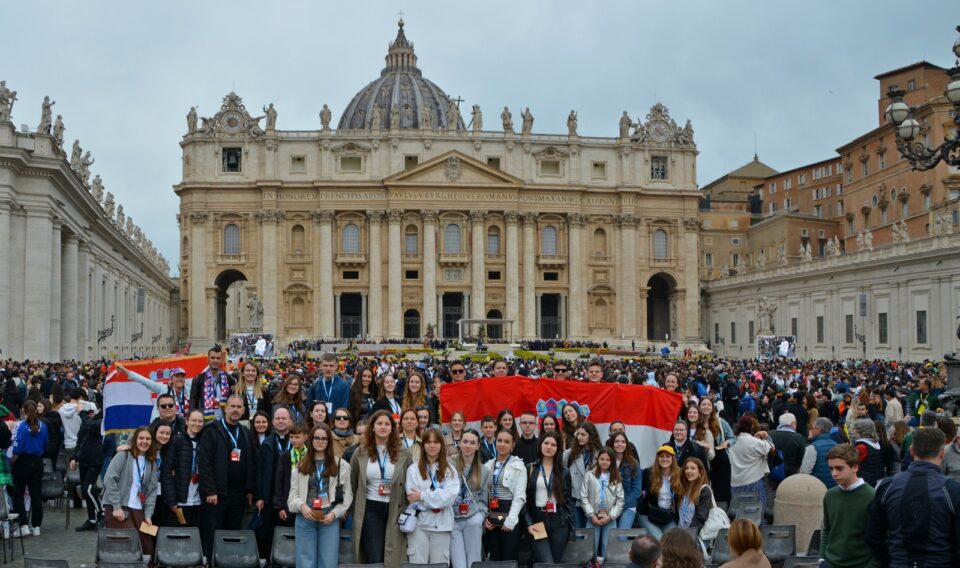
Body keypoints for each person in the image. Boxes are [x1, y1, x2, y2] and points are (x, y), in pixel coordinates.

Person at [867, 427, 960, 568]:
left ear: (911, 451)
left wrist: (889, 561)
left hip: (899, 561)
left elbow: (873, 536)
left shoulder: (888, 486)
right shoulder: (952, 490)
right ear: (942, 453)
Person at [349, 409, 414, 567]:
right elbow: (353, 482)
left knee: (393, 556)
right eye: (379, 423)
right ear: (372, 427)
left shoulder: (404, 453)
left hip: (395, 509)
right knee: (375, 556)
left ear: (393, 428)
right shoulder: (360, 453)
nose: (383, 427)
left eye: (387, 423)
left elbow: (410, 481)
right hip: (370, 509)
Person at [197, 395, 256, 560]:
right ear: (225, 408)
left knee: (233, 533)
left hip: (238, 494)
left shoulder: (244, 431)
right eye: (233, 406)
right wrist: (210, 490)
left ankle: (230, 561)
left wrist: (249, 489)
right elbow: (205, 463)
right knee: (213, 533)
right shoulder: (212, 430)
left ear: (244, 410)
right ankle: (210, 562)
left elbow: (250, 461)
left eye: (239, 407)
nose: (236, 410)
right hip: (216, 494)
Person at [288, 423, 353, 568]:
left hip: (329, 518)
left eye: (324, 438)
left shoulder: (342, 465)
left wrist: (334, 514)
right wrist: (302, 506)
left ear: (329, 441)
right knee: (305, 562)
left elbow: (347, 497)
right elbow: (292, 497)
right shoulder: (300, 466)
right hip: (305, 517)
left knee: (328, 562)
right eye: (316, 438)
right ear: (310, 440)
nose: (320, 441)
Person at [102, 426, 160, 559]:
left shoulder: (151, 462)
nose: (144, 441)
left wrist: (148, 515)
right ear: (134, 440)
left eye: (148, 439)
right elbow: (109, 479)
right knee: (127, 548)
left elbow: (152, 491)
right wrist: (116, 507)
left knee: (147, 548)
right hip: (119, 509)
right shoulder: (124, 455)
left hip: (138, 510)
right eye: (141, 438)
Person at [405, 428, 460, 564]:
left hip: (442, 526)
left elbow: (449, 498)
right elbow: (413, 500)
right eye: (428, 442)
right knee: (417, 565)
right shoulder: (413, 469)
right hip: (419, 526)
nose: (432, 445)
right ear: (423, 445)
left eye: (436, 442)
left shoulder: (450, 470)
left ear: (442, 445)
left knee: (440, 565)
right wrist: (437, 498)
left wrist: (423, 495)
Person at [820, 444, 875, 568]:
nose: (834, 473)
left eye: (839, 468)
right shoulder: (830, 495)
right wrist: (822, 558)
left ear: (855, 467)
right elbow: (827, 529)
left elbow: (879, 537)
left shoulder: (871, 496)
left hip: (860, 564)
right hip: (830, 562)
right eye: (831, 468)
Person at [525, 431, 574, 564]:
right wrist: (529, 523)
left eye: (553, 444)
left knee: (556, 562)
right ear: (541, 445)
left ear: (558, 449)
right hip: (537, 521)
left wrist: (571, 527)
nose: (549, 447)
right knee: (546, 562)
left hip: (559, 521)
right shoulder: (530, 468)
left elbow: (569, 501)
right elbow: (523, 500)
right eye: (546, 443)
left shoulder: (564, 472)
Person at [482, 428, 527, 561]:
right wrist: (485, 518)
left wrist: (510, 521)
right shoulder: (488, 465)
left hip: (509, 515)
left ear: (512, 445)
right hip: (492, 515)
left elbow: (519, 497)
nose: (502, 444)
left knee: (509, 558)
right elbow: (483, 495)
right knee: (495, 557)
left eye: (506, 442)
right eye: (499, 440)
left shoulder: (518, 466)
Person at [255, 406, 293, 557]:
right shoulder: (267, 443)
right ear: (273, 422)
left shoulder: (296, 442)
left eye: (284, 418)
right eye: (278, 418)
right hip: (270, 496)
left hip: (291, 495)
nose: (281, 421)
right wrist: (259, 496)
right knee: (270, 533)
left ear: (290, 421)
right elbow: (260, 471)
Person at [159, 409, 205, 529]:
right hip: (179, 502)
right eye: (194, 420)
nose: (197, 423)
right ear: (187, 421)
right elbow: (167, 472)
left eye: (200, 421)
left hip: (198, 501)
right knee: (178, 538)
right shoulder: (176, 439)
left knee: (194, 537)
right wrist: (172, 501)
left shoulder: (204, 441)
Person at [451, 429, 488, 568]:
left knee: (473, 563)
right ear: (459, 443)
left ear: (478, 446)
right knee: (458, 564)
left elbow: (484, 500)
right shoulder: (449, 466)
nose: (468, 446)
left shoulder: (483, 470)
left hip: (472, 520)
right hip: (453, 520)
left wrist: (479, 518)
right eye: (465, 441)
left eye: (472, 443)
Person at [11, 400, 48, 536]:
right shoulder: (43, 426)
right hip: (38, 461)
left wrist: (12, 462)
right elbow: (45, 444)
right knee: (36, 494)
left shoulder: (21, 427)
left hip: (23, 461)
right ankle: (36, 526)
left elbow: (17, 448)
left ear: (23, 410)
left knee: (18, 494)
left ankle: (23, 525)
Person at [581, 447, 624, 557]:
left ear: (612, 461)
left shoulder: (616, 477)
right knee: (590, 546)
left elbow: (620, 500)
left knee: (608, 546)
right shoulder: (589, 475)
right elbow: (583, 497)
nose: (604, 462)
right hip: (593, 517)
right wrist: (591, 515)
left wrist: (610, 516)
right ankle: (591, 564)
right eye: (602, 459)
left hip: (609, 517)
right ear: (598, 459)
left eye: (608, 460)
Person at [70, 406, 104, 531]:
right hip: (84, 461)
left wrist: (82, 413)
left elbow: (93, 425)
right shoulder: (87, 421)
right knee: (86, 491)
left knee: (88, 489)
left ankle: (101, 515)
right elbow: (80, 440)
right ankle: (92, 519)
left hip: (95, 461)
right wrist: (74, 457)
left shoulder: (101, 419)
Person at [563, 422, 603, 527]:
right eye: (578, 434)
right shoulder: (569, 454)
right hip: (575, 499)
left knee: (591, 533)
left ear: (591, 436)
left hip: (594, 501)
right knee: (578, 532)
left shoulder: (601, 454)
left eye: (583, 435)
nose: (579, 437)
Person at [728, 416, 775, 505]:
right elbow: (771, 447)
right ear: (751, 427)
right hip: (753, 482)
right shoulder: (754, 442)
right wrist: (765, 434)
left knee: (739, 515)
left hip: (735, 484)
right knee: (755, 515)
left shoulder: (732, 442)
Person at [638, 445, 682, 539]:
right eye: (661, 456)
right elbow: (641, 493)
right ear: (657, 459)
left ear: (672, 459)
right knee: (659, 539)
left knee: (671, 541)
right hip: (647, 514)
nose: (664, 459)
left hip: (668, 516)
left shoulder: (679, 474)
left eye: (667, 456)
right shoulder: (648, 473)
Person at [700, 396, 735, 503]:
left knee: (722, 491)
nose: (706, 407)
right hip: (703, 459)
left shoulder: (720, 422)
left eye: (708, 405)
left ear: (712, 407)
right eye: (703, 404)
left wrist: (726, 443)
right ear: (699, 407)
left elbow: (733, 437)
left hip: (720, 459)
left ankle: (723, 514)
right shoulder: (695, 421)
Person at [189, 345, 233, 420]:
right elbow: (193, 402)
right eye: (212, 358)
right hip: (205, 421)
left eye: (218, 358)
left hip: (224, 420)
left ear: (221, 360)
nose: (215, 360)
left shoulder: (228, 378)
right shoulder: (199, 379)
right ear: (208, 359)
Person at [607, 431, 641, 528]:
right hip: (609, 506)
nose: (620, 444)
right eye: (617, 441)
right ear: (612, 443)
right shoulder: (606, 461)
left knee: (621, 536)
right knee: (609, 536)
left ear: (627, 444)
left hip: (628, 506)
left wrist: (620, 507)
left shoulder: (634, 464)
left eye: (623, 441)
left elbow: (636, 491)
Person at [800, 417, 838, 488]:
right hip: (834, 485)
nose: (810, 430)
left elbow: (804, 471)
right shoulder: (836, 445)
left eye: (812, 428)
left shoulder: (812, 447)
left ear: (818, 430)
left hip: (818, 486)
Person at [767, 412, 806, 479]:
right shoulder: (799, 438)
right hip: (791, 474)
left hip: (772, 471)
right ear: (792, 423)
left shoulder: (770, 434)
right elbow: (802, 459)